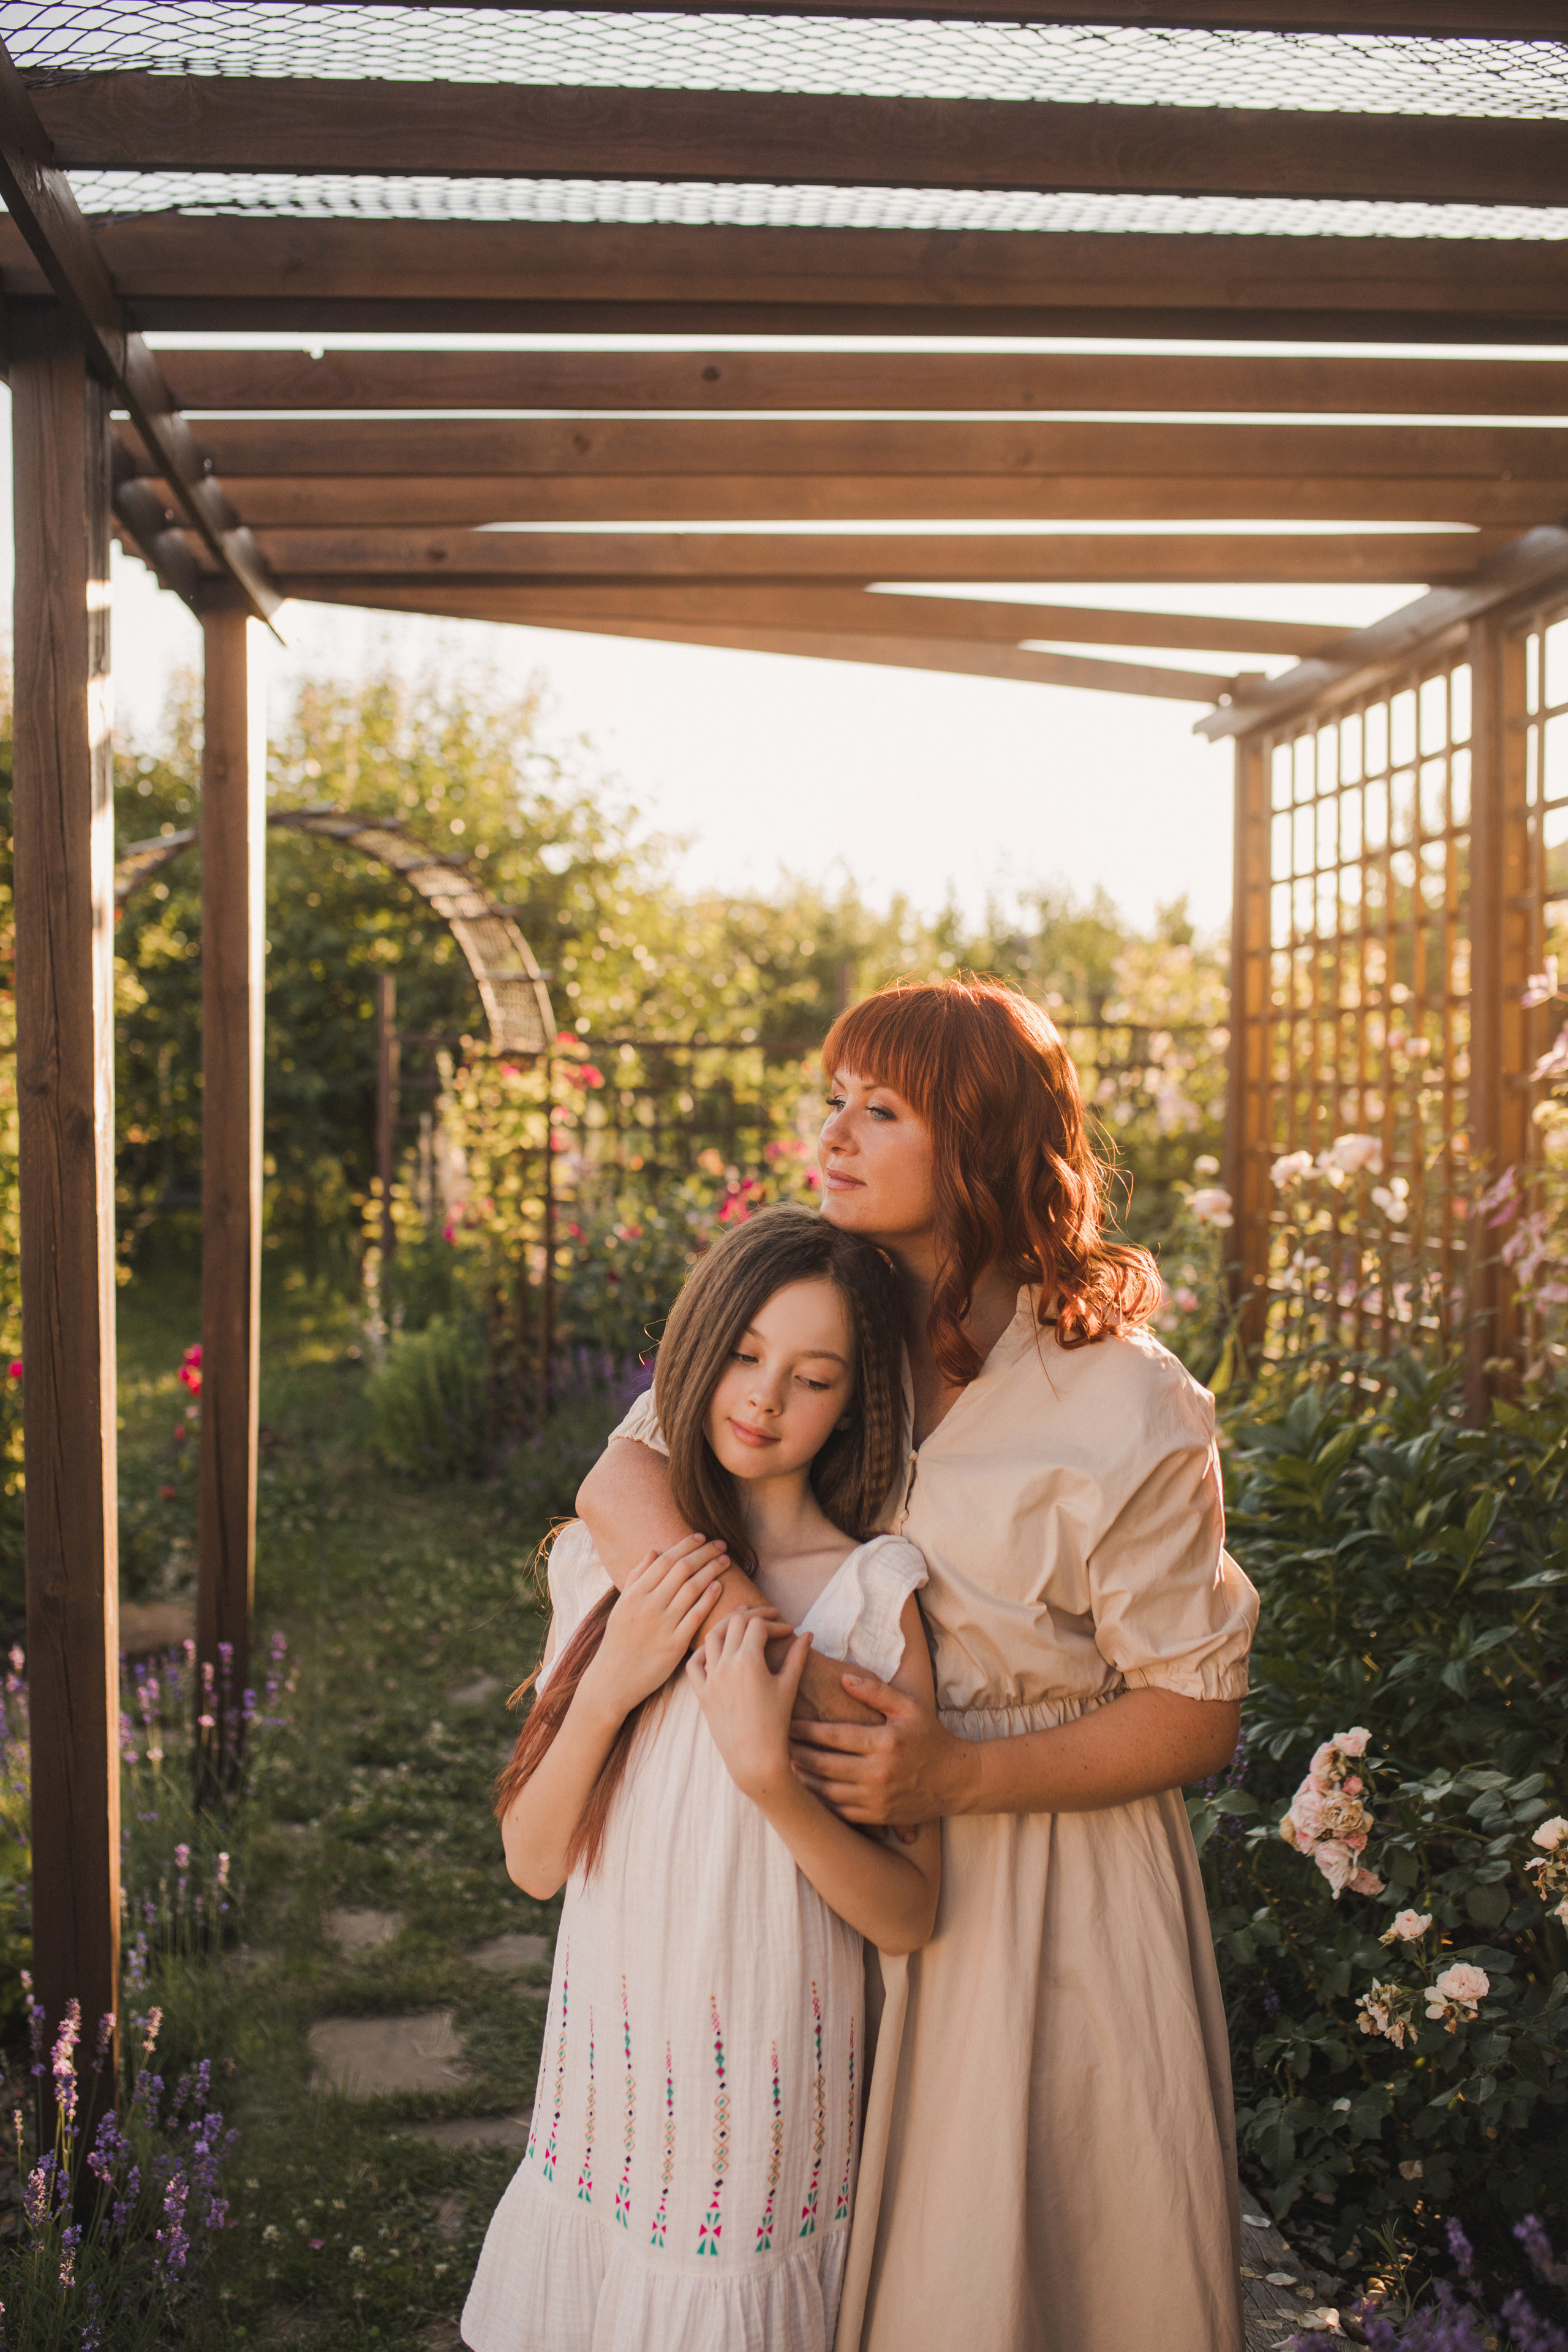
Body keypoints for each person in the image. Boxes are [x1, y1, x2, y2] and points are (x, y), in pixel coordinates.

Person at [578, 976, 1259, 2352]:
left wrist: (956, 1771)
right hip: (812, 1879)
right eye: (833, 1097)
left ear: (983, 1149)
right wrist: (764, 1653)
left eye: (878, 1109)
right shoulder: (820, 1311)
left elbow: (1195, 1717)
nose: (831, 1133)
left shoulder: (1122, 1398)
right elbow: (623, 1471)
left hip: (1037, 1895)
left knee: (1007, 2282)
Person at [462, 1207, 940, 2352]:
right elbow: (533, 1863)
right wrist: (616, 1680)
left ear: (854, 1400)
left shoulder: (872, 1604)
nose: (766, 1398)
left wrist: (772, 1780)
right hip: (611, 2081)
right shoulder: (613, 1561)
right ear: (698, 1341)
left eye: (812, 1377)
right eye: (744, 1353)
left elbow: (910, 1914)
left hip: (763, 2100)